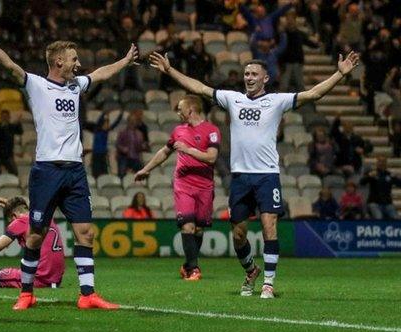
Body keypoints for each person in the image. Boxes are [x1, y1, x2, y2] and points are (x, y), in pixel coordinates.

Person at [149, 49, 359, 299]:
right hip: (240, 177)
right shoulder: (232, 99)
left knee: (270, 226)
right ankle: (251, 270)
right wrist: (170, 70)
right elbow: (200, 88)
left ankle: (268, 283)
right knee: (238, 234)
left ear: (265, 79)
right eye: (246, 73)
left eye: (254, 74)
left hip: (266, 175)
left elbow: (314, 93)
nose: (248, 77)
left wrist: (339, 74)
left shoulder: (277, 101)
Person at [0, 17, 138, 310]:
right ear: (58, 61)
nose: (79, 63)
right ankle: (27, 293)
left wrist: (124, 60)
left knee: (86, 233)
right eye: (73, 58)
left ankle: (87, 295)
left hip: (75, 171)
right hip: (47, 170)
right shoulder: (36, 85)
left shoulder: (76, 86)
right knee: (35, 235)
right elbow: (10, 66)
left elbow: (101, 74)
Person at [135, 96, 220, 281]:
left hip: (205, 186)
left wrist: (188, 150)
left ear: (191, 110)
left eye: (180, 108)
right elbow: (165, 152)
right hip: (184, 184)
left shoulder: (212, 131)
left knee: (198, 229)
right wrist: (146, 169)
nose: (177, 112)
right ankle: (194, 270)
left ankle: (187, 265)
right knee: (187, 226)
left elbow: (212, 157)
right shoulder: (178, 131)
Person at [83, 110, 123, 178]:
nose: (107, 125)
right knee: (96, 172)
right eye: (106, 123)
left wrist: (120, 115)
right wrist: (104, 114)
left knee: (104, 172)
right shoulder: (97, 130)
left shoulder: (106, 131)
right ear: (102, 124)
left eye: (108, 123)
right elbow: (99, 122)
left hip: (103, 154)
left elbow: (115, 123)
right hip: (96, 154)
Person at [0, 110, 23, 176]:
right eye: (3, 116)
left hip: (8, 154)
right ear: (0, 117)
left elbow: (20, 132)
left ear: (9, 117)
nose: (5, 118)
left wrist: (18, 123)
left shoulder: (11, 127)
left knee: (14, 172)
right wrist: (2, 127)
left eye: (6, 116)